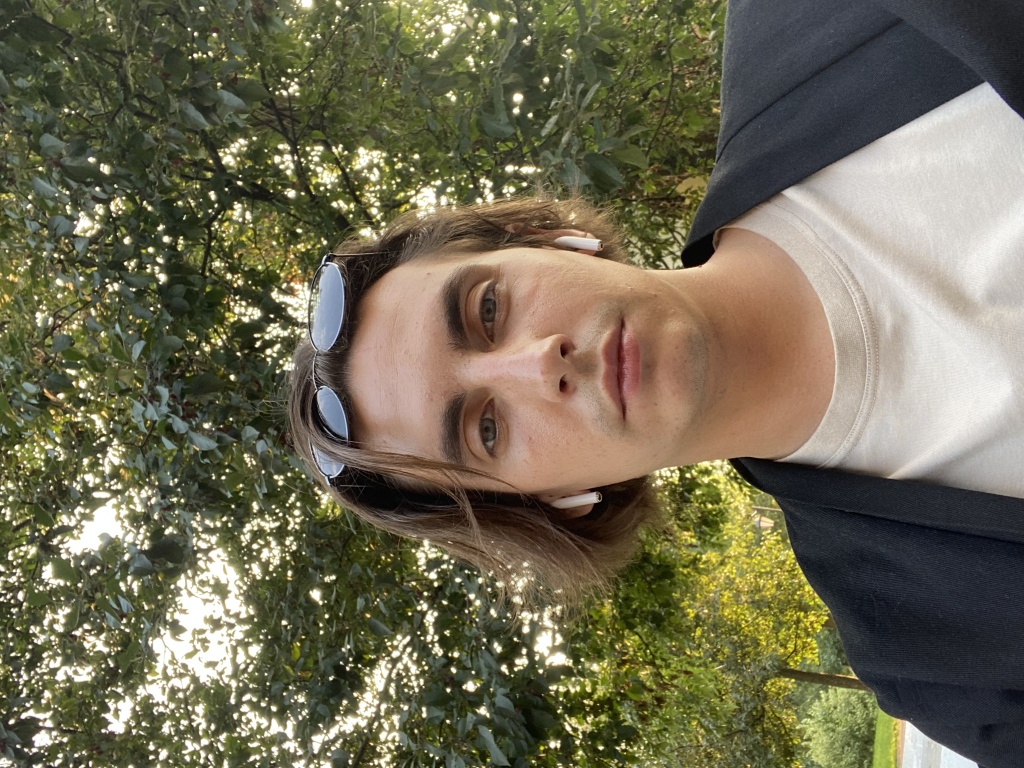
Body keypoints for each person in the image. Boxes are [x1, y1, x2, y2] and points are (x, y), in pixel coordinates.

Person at [288, 1, 1024, 765]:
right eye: (487, 429)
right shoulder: (946, 667)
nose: (538, 365)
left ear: (546, 239)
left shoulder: (805, 19)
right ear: (554, 503)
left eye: (488, 309)